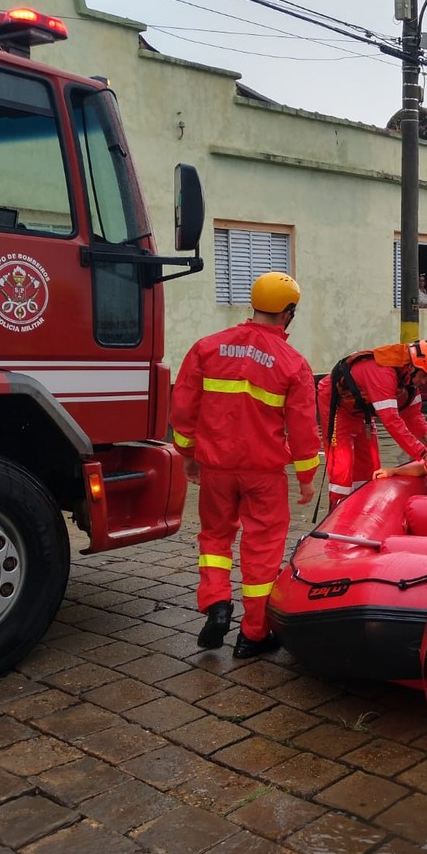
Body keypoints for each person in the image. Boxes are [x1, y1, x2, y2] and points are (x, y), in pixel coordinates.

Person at [170, 272, 320, 659]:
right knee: (263, 549)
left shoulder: (207, 347)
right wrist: (306, 477)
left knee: (215, 539)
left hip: (215, 467)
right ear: (288, 313)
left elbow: (184, 408)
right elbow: (303, 428)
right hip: (264, 473)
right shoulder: (293, 363)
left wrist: (188, 455)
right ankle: (253, 635)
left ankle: (217, 604)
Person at [316, 340, 427, 509]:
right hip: (337, 407)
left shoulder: (408, 380)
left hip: (360, 411)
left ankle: (362, 509)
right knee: (342, 466)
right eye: (425, 377)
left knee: (370, 463)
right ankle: (337, 512)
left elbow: (412, 415)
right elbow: (391, 421)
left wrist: (426, 432)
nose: (424, 382)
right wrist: (423, 453)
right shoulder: (383, 373)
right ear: (413, 367)